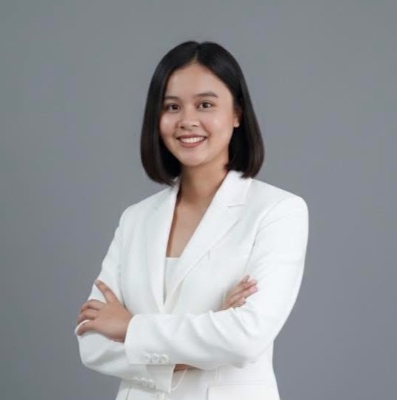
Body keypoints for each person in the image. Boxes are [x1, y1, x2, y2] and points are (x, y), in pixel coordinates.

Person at [75, 41, 309, 400]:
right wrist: (210, 333)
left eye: (205, 104)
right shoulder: (136, 219)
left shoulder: (277, 211)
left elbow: (246, 337)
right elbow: (92, 342)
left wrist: (130, 328)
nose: (187, 120)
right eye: (172, 106)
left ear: (237, 113)